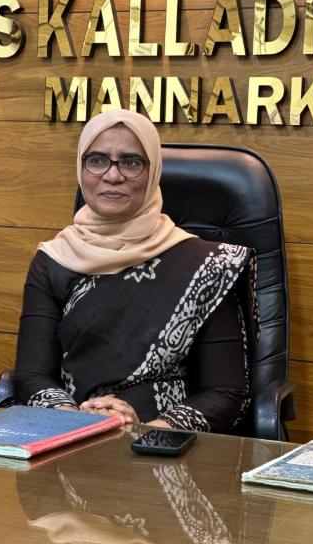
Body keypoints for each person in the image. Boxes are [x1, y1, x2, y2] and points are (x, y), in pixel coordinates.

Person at [13, 109, 259, 433]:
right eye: (97, 160)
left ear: (152, 171)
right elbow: (32, 375)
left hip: (165, 440)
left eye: (130, 162)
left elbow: (226, 393)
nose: (112, 175)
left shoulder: (209, 265)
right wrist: (78, 422)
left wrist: (145, 430)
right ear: (80, 168)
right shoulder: (54, 259)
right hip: (67, 433)